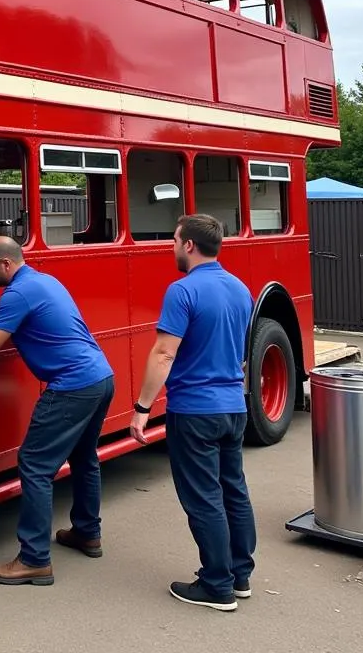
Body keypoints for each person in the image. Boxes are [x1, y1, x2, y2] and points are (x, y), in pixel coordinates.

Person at [0, 236, 114, 586]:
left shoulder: (17, 293)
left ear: (5, 264)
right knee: (84, 457)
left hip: (72, 385)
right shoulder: (45, 280)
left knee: (34, 465)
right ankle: (87, 533)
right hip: (101, 377)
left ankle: (34, 559)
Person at [129, 213, 256, 613]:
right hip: (234, 407)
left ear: (188, 245)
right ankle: (240, 576)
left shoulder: (182, 291)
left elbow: (165, 352)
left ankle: (216, 585)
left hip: (195, 411)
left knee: (204, 498)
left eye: (173, 240)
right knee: (233, 489)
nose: (171, 246)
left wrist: (142, 408)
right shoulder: (240, 289)